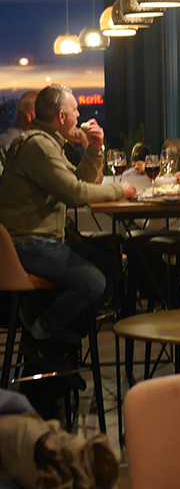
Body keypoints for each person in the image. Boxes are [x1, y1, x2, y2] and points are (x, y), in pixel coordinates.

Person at [0, 85, 136, 352]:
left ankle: (63, 341)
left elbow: (76, 181)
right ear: (61, 116)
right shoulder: (39, 145)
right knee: (93, 281)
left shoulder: (46, 142)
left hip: (41, 240)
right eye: (75, 110)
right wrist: (119, 190)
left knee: (110, 266)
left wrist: (95, 149)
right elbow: (75, 194)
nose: (79, 114)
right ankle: (41, 333)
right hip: (28, 243)